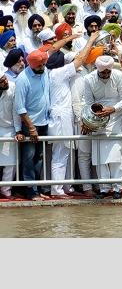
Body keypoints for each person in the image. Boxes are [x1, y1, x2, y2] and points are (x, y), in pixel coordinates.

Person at [47, 31, 98, 198]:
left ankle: (66, 186)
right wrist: (90, 40)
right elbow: (81, 59)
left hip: (62, 116)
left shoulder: (52, 73)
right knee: (60, 154)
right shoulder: (58, 73)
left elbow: (51, 50)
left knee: (66, 153)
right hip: (60, 117)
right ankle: (57, 189)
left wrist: (68, 39)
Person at [82, 55, 122, 199]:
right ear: (97, 69)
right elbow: (88, 102)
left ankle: (117, 188)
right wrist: (91, 117)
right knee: (99, 157)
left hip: (116, 116)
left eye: (108, 72)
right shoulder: (89, 79)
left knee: (116, 155)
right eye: (103, 72)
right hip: (98, 117)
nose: (106, 75)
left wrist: (113, 109)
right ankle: (103, 188)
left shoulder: (119, 76)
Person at [14, 50, 50, 200]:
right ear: (33, 65)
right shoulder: (23, 79)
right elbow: (20, 108)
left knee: (39, 157)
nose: (43, 67)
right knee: (29, 158)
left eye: (43, 64)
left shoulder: (45, 70)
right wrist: (31, 127)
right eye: (40, 65)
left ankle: (37, 188)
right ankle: (30, 191)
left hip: (44, 122)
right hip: (30, 125)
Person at [0, 65, 23, 199]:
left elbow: (16, 112)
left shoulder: (13, 88)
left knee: (11, 162)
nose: (6, 81)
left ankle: (6, 190)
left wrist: (18, 130)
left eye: (5, 78)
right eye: (2, 81)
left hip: (9, 129)